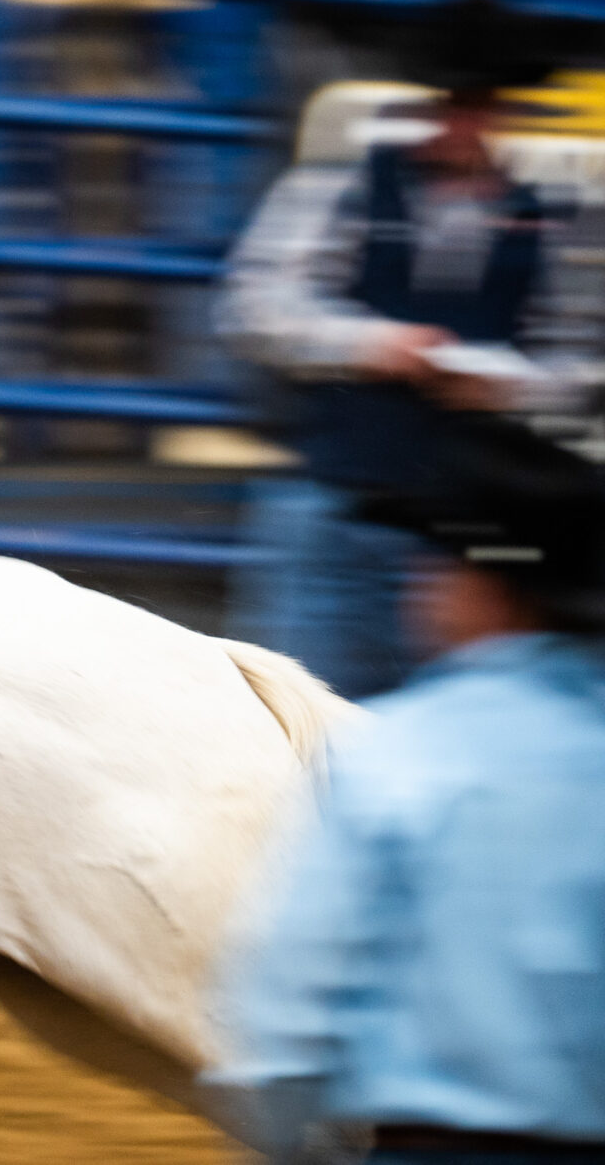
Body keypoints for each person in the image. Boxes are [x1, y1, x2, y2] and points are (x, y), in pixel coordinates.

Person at [209, 413, 605, 1163]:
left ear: (490, 587)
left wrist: (282, 1129)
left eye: (438, 562)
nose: (419, 580)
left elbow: (295, 998)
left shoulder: (402, 752)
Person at [219, 2, 605, 699]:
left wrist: (508, 385)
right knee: (296, 716)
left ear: (502, 110)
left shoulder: (559, 217)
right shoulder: (340, 188)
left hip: (464, 538)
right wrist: (375, 344)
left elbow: (580, 364)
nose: (458, 123)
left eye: (476, 104)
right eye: (447, 104)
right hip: (342, 503)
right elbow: (254, 305)